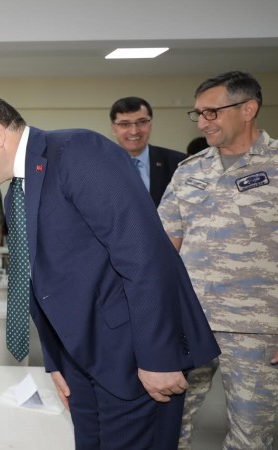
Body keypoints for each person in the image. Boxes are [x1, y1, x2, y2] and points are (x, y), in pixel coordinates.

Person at [0, 94, 220, 449]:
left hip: (134, 357)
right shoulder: (16, 193)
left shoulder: (77, 152)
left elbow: (144, 256)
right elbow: (38, 283)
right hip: (79, 361)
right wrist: (55, 361)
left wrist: (159, 357)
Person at [157, 71, 278, 450]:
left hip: (257, 330)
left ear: (248, 109)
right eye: (198, 114)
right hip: (188, 325)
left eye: (212, 112)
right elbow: (163, 250)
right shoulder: (189, 170)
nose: (203, 122)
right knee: (167, 427)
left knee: (251, 437)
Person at [109, 97, 186, 207]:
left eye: (141, 122)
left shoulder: (178, 163)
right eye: (125, 124)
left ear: (150, 125)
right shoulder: (99, 166)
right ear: (113, 128)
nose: (134, 131)